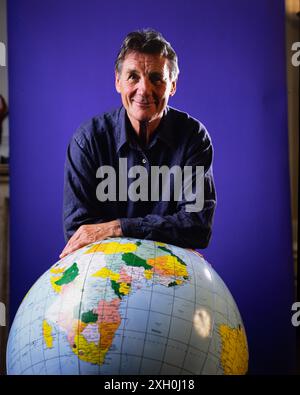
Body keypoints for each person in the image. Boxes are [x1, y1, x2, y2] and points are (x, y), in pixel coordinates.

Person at [60, 29, 216, 258]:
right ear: (118, 82)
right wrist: (169, 233)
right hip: (106, 275)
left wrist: (117, 228)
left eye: (156, 78)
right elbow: (80, 232)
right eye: (133, 76)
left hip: (169, 277)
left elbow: (197, 226)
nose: (144, 89)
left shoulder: (193, 137)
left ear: (172, 85)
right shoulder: (88, 141)